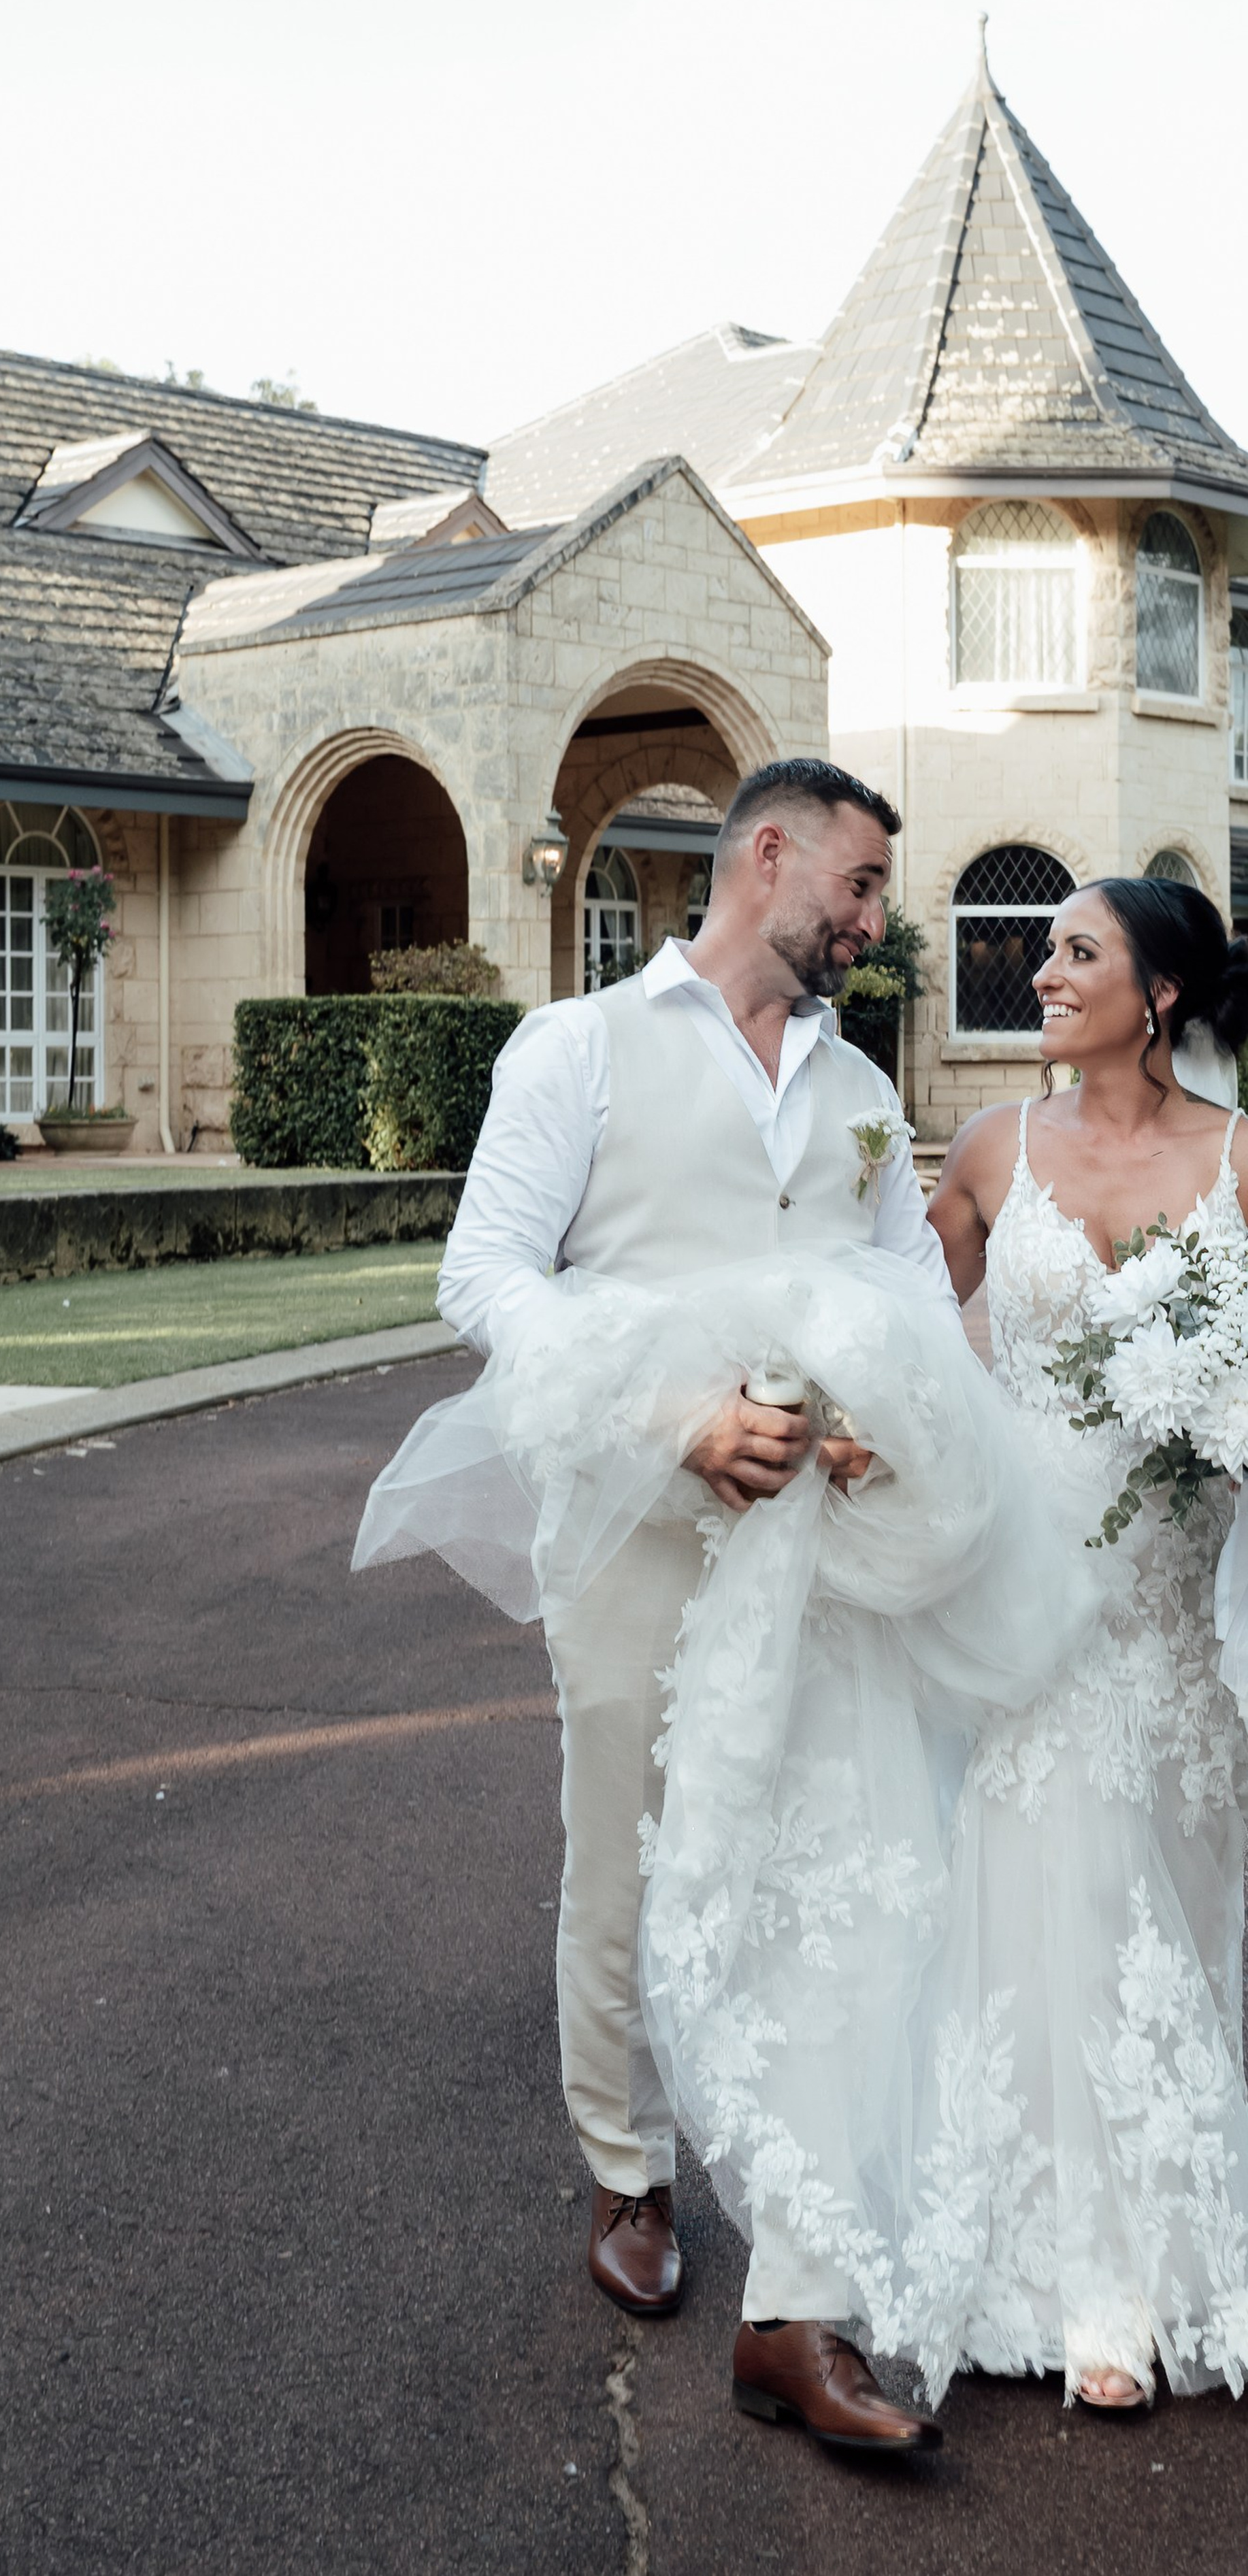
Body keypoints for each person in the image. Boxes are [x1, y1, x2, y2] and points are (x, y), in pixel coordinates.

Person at [388, 757, 960, 2450]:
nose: (869, 923)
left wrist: (873, 1423)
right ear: (764, 856)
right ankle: (627, 2173)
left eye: (874, 898)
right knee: (626, 1837)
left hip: (806, 1544)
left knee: (805, 1843)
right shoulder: (575, 1047)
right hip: (634, 1513)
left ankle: (793, 2215)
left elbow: (911, 1292)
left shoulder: (859, 1081)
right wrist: (672, 1422)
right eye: (854, 888)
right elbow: (481, 1272)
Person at [921, 875, 1248, 2409]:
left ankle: (1177, 2234)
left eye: (1072, 951)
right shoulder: (991, 1149)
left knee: (1175, 1883)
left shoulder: (1237, 1156)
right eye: (1039, 949)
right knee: (1052, 1887)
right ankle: (1088, 2287)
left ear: (1160, 991)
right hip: (1035, 1594)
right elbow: (909, 1342)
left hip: (1177, 1599)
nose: (1036, 971)